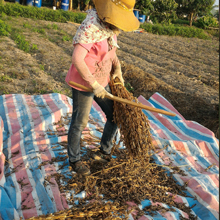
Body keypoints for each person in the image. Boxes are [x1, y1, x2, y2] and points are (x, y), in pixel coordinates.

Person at [65, 0, 139, 176]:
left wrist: (117, 69)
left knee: (114, 115)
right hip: (84, 82)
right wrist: (94, 85)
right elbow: (77, 58)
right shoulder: (90, 27)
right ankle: (74, 160)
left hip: (102, 81)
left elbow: (112, 52)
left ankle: (104, 151)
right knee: (80, 122)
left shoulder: (109, 28)